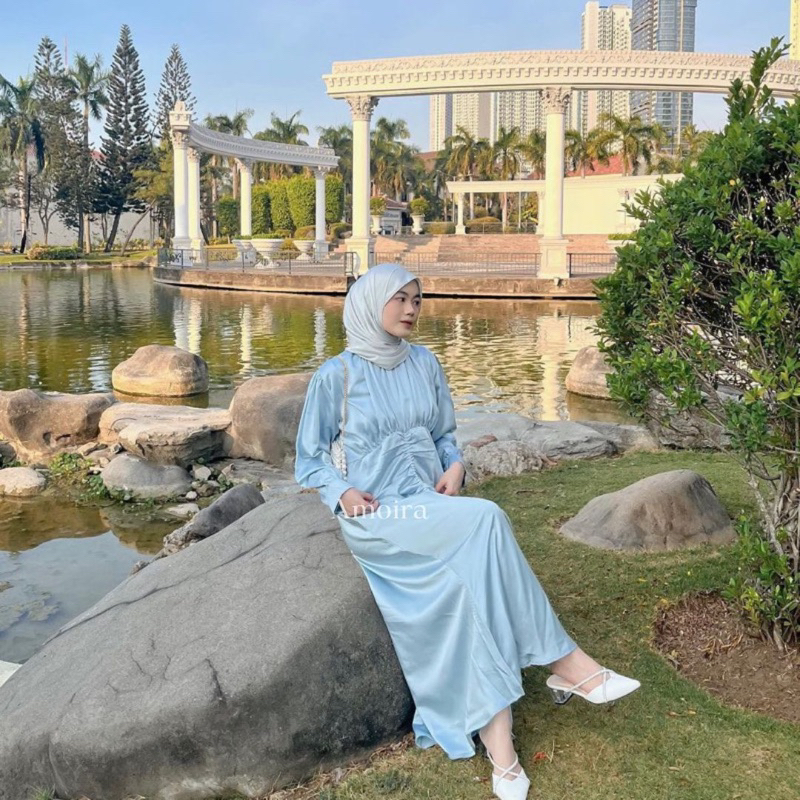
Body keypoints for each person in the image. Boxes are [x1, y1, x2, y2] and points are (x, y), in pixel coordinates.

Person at [294, 264, 639, 800]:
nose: (412, 309)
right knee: (488, 518)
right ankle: (567, 665)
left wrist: (455, 465)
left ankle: (504, 754)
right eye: (400, 299)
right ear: (368, 303)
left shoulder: (426, 363)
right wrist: (341, 492)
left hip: (430, 504)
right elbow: (309, 457)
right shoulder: (335, 376)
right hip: (381, 516)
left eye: (417, 299)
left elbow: (444, 435)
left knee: (473, 589)